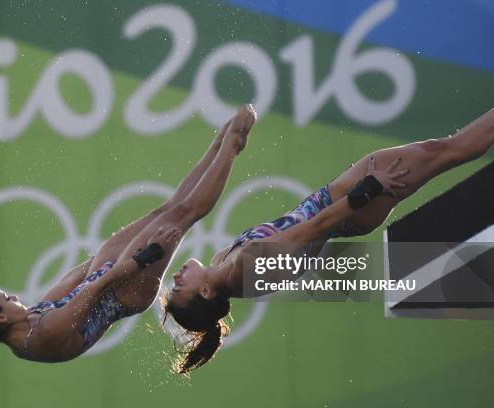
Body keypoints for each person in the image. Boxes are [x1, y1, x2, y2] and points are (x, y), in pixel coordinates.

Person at [0, 105, 258, 364]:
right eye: (7, 298)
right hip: (126, 289)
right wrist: (140, 258)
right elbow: (96, 289)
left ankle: (217, 144)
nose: (15, 296)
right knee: (182, 216)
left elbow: (79, 277)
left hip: (108, 273)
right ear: (2, 317)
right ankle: (231, 147)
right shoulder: (42, 335)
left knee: (165, 210)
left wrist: (104, 254)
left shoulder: (28, 322)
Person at [164, 107, 494, 373]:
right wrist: (368, 189)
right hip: (351, 206)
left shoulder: (225, 259)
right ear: (205, 292)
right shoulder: (249, 269)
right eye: (180, 287)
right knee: (450, 150)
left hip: (339, 196)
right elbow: (316, 227)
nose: (176, 277)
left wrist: (229, 140)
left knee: (444, 149)